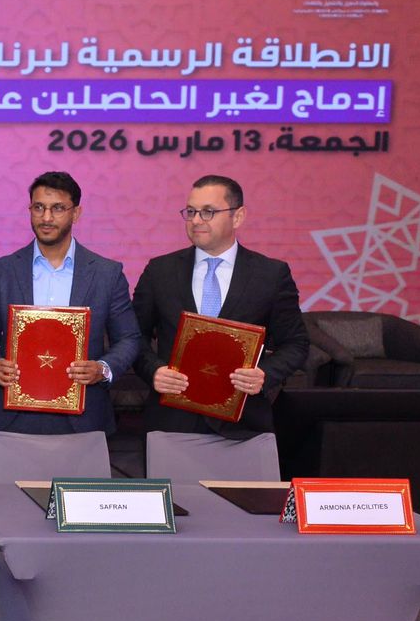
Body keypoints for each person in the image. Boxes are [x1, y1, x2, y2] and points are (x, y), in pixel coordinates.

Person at [132, 174, 310, 437]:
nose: (195, 220)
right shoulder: (159, 271)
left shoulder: (271, 274)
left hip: (244, 425)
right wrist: (154, 370)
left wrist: (264, 375)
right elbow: (133, 336)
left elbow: (296, 343)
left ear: (238, 217)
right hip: (171, 423)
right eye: (190, 211)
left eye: (208, 212)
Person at [0, 171, 142, 435]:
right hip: (13, 417)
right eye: (38, 207)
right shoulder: (3, 270)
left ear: (76, 213)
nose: (46, 217)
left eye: (58, 208)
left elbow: (129, 338)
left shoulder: (107, 274)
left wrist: (102, 369)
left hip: (83, 418)